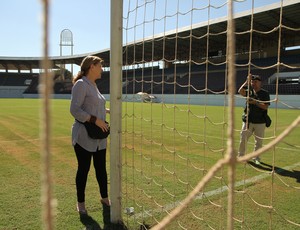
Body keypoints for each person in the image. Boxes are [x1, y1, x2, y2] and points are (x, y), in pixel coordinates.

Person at [70, 55, 111, 222]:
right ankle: (80, 203)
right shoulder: (81, 84)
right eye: (100, 65)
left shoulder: (94, 85)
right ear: (91, 67)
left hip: (99, 137)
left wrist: (106, 111)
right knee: (84, 170)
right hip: (84, 136)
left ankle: (104, 197)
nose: (102, 68)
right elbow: (75, 110)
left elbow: (95, 106)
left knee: (101, 169)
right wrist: (95, 119)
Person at [237, 74, 270, 164]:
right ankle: (241, 156)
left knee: (258, 142)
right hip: (248, 120)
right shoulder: (249, 91)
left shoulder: (265, 93)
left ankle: (256, 158)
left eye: (255, 82)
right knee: (243, 138)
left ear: (260, 83)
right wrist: (246, 81)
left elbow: (265, 107)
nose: (253, 83)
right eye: (252, 82)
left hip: (260, 121)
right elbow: (240, 91)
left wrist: (255, 102)